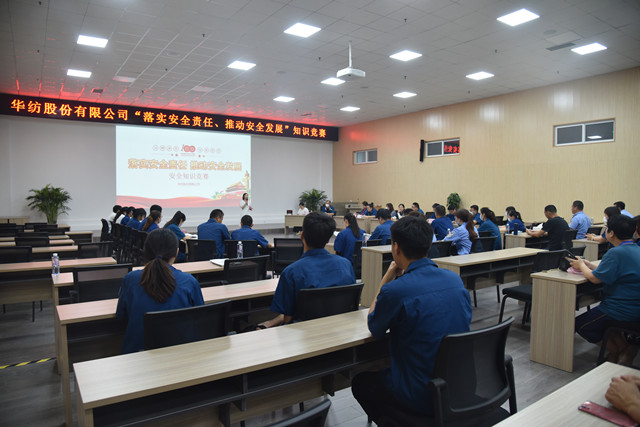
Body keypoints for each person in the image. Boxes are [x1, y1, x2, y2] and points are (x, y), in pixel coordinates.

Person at [351, 216, 472, 422]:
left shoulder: (395, 290)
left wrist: (387, 278)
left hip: (420, 395)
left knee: (361, 382)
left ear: (396, 247)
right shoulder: (454, 280)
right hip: (458, 387)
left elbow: (374, 324)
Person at [115, 229, 204, 354]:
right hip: (180, 354)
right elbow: (201, 318)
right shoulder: (189, 282)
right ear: (176, 253)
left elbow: (121, 315)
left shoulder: (130, 280)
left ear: (145, 251)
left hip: (138, 355)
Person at [259, 212, 355, 328]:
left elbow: (288, 318)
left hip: (304, 334)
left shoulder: (291, 272)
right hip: (340, 328)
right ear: (328, 240)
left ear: (302, 236)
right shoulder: (346, 265)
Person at [569, 214, 640, 364]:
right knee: (605, 323)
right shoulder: (635, 249)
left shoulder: (615, 252)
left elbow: (594, 279)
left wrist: (581, 265)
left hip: (620, 309)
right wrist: (589, 265)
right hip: (635, 308)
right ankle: (625, 347)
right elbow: (614, 271)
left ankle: (617, 351)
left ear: (611, 233)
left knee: (581, 324)